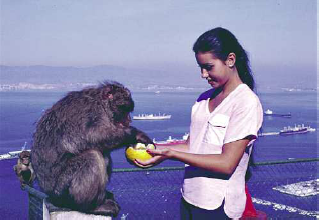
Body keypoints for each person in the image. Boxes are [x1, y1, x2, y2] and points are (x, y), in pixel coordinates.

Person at [136, 27, 263, 219]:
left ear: (230, 60)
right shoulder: (203, 100)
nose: (203, 74)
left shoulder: (246, 102)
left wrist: (170, 154)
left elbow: (227, 164)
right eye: (200, 68)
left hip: (218, 207)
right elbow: (192, 146)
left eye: (209, 67)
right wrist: (155, 151)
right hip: (189, 199)